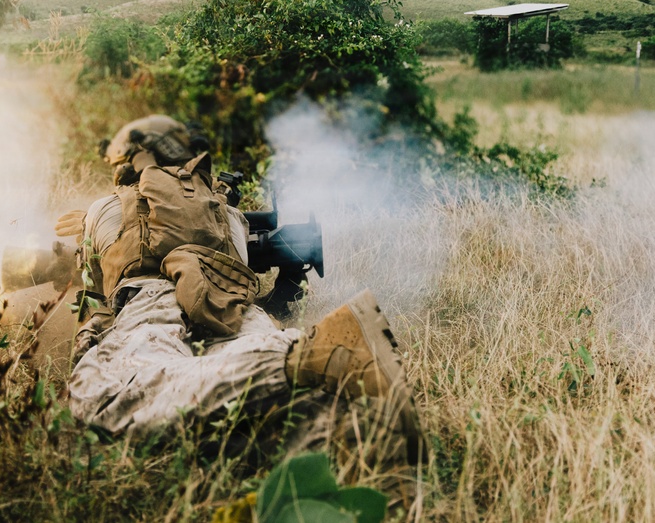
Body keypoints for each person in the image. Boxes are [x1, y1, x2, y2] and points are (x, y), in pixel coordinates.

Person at [52, 115, 423, 489]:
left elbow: (92, 293)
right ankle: (366, 436)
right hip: (232, 300)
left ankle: (295, 358)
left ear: (132, 159)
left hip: (152, 298)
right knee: (281, 405)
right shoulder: (224, 210)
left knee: (110, 389)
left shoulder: (105, 207)